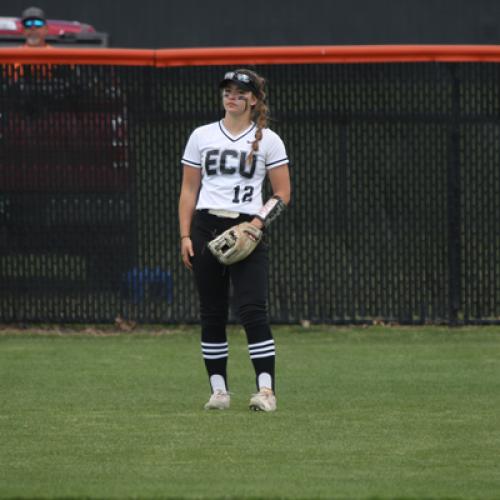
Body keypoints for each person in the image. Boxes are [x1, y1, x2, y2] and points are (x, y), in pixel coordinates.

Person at [179, 69, 291, 412]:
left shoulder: (269, 139)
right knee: (211, 312)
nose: (232, 96)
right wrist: (185, 234)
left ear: (254, 99)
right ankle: (219, 392)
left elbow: (283, 192)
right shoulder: (201, 135)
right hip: (206, 226)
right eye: (228, 90)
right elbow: (188, 189)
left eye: (241, 92)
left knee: (253, 310)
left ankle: (266, 391)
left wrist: (256, 224)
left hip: (247, 229)